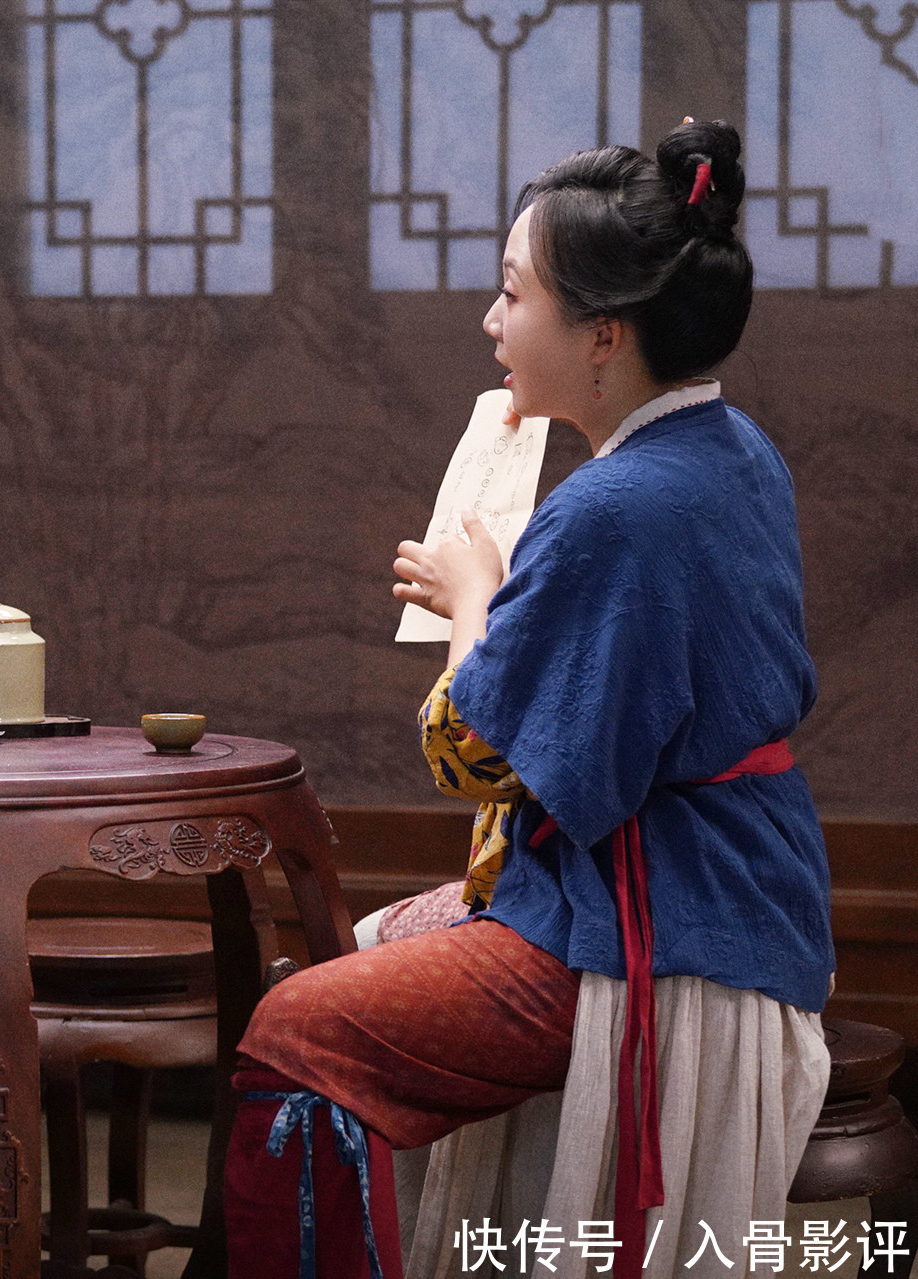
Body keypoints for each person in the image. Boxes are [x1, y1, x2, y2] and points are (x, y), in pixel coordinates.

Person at [225, 120, 834, 1279]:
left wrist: (475, 601)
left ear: (603, 334)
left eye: (514, 293)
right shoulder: (734, 450)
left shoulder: (611, 507)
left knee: (297, 1031)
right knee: (364, 945)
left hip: (658, 926)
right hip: (751, 886)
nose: (492, 323)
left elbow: (469, 750)